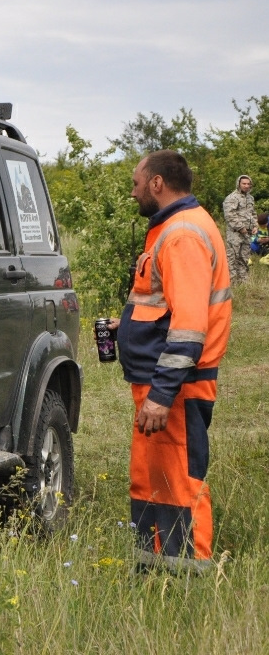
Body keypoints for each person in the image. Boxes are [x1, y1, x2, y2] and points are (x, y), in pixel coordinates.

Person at [107, 150, 232, 573]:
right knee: (152, 478)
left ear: (157, 183)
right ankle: (152, 564)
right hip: (159, 384)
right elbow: (164, 306)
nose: (132, 190)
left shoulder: (181, 234)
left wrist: (161, 395)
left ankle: (187, 572)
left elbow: (190, 325)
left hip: (175, 388)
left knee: (179, 480)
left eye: (136, 182)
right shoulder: (173, 228)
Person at [222, 174, 257, 284]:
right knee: (232, 258)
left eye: (248, 184)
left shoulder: (250, 198)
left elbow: (253, 213)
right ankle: (232, 283)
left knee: (244, 258)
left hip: (248, 233)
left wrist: (255, 226)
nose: (246, 186)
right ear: (239, 184)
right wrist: (241, 227)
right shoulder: (232, 198)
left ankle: (243, 282)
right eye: (244, 184)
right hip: (235, 233)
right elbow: (229, 215)